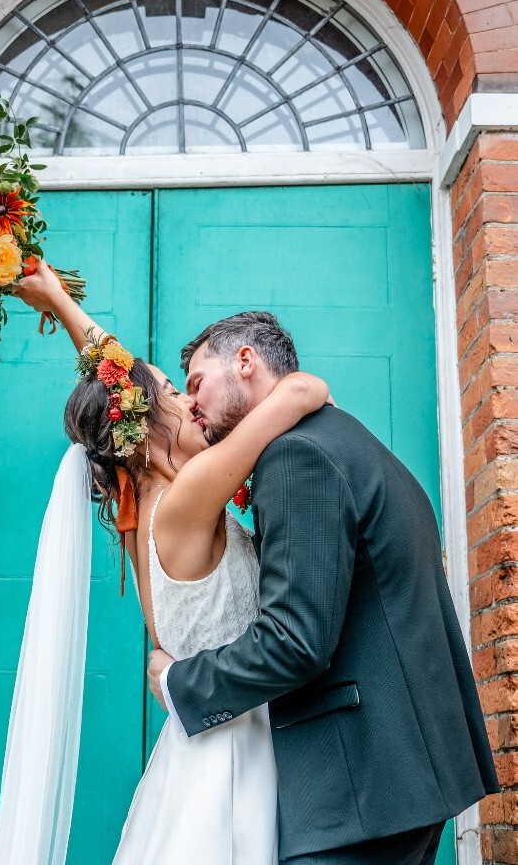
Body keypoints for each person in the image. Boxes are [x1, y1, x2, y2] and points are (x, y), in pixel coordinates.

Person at [144, 311, 501, 865]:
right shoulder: (342, 438)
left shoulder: (297, 457)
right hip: (401, 777)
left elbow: (295, 641)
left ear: (245, 362)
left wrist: (178, 684)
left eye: (195, 383)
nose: (191, 404)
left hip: (357, 790)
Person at [10, 259, 331, 864]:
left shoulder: (147, 513)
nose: (189, 400)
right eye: (176, 392)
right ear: (148, 428)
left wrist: (59, 301)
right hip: (235, 752)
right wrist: (298, 390)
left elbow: (125, 388)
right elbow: (297, 392)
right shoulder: (187, 499)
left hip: (199, 743)